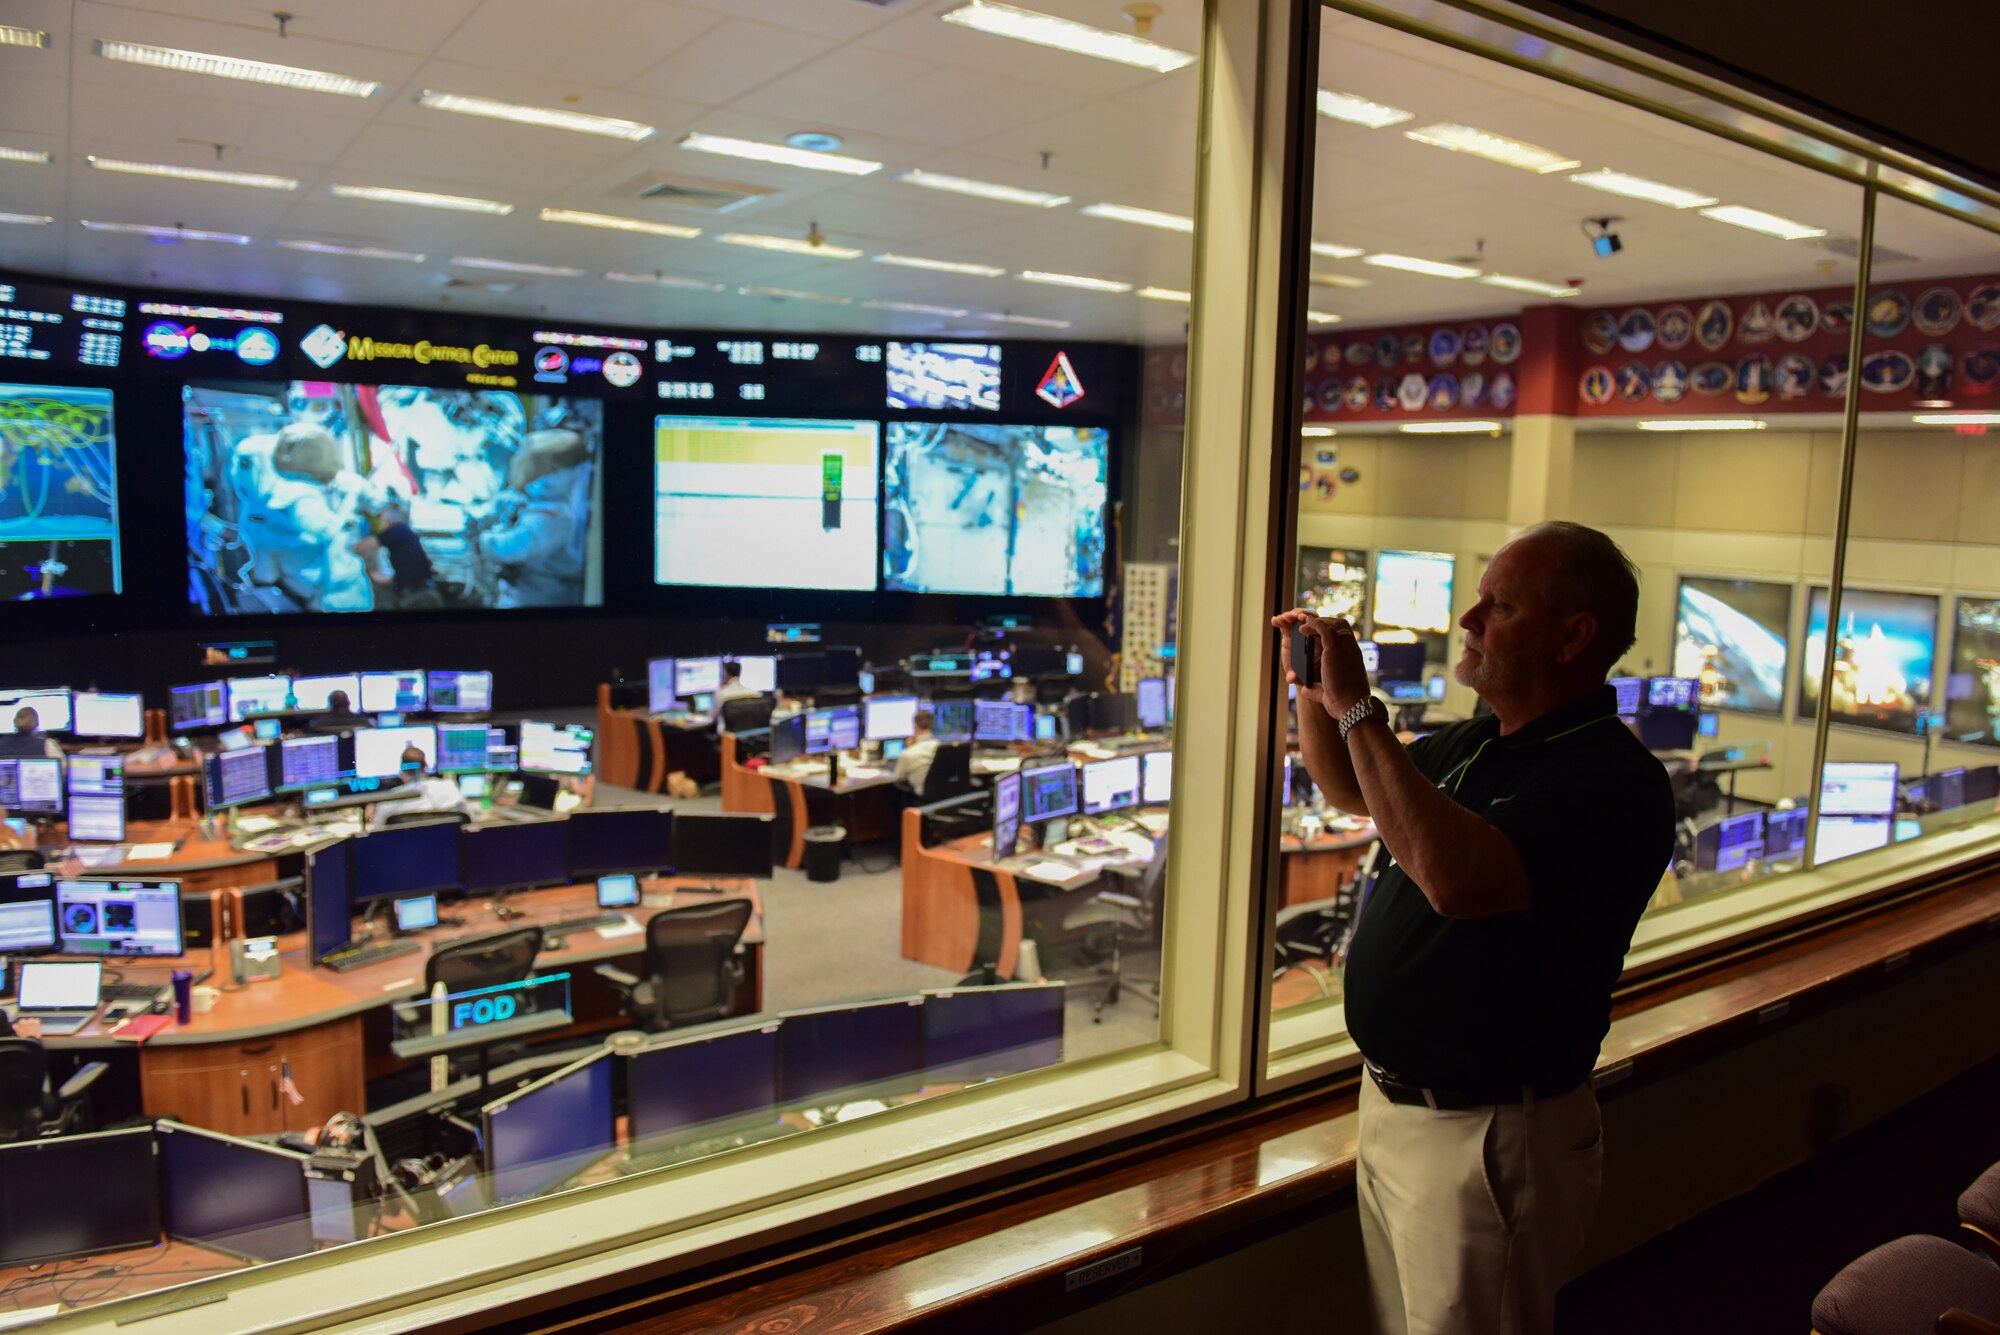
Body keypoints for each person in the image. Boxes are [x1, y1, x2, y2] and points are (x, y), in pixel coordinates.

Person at [1272, 521, 1673, 1335]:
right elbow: (1355, 789)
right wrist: (1313, 692)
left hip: (1489, 1136)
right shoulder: (1476, 741)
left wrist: (1358, 706)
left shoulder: (1608, 780)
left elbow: (1456, 879)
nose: (1468, 619)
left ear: (1573, 636)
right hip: (1397, 1109)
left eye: (1500, 606)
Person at [478, 430, 592, 608]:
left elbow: (510, 547)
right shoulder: (554, 505)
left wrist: (482, 539)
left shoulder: (553, 519)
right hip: (535, 593)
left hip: (540, 601)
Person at [355, 503, 442, 611]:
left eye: (380, 518)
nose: (379, 522)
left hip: (415, 592)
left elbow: (363, 546)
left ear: (386, 518)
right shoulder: (403, 531)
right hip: (419, 586)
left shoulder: (397, 530)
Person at [369, 745, 476, 829]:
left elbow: (377, 834)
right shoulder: (450, 788)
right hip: (450, 852)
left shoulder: (388, 801)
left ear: (402, 768)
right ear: (426, 765)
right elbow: (471, 820)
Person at [892, 709, 941, 797]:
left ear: (915, 726)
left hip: (920, 800)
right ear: (932, 725)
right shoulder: (941, 747)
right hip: (944, 798)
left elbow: (897, 778)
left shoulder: (908, 753)